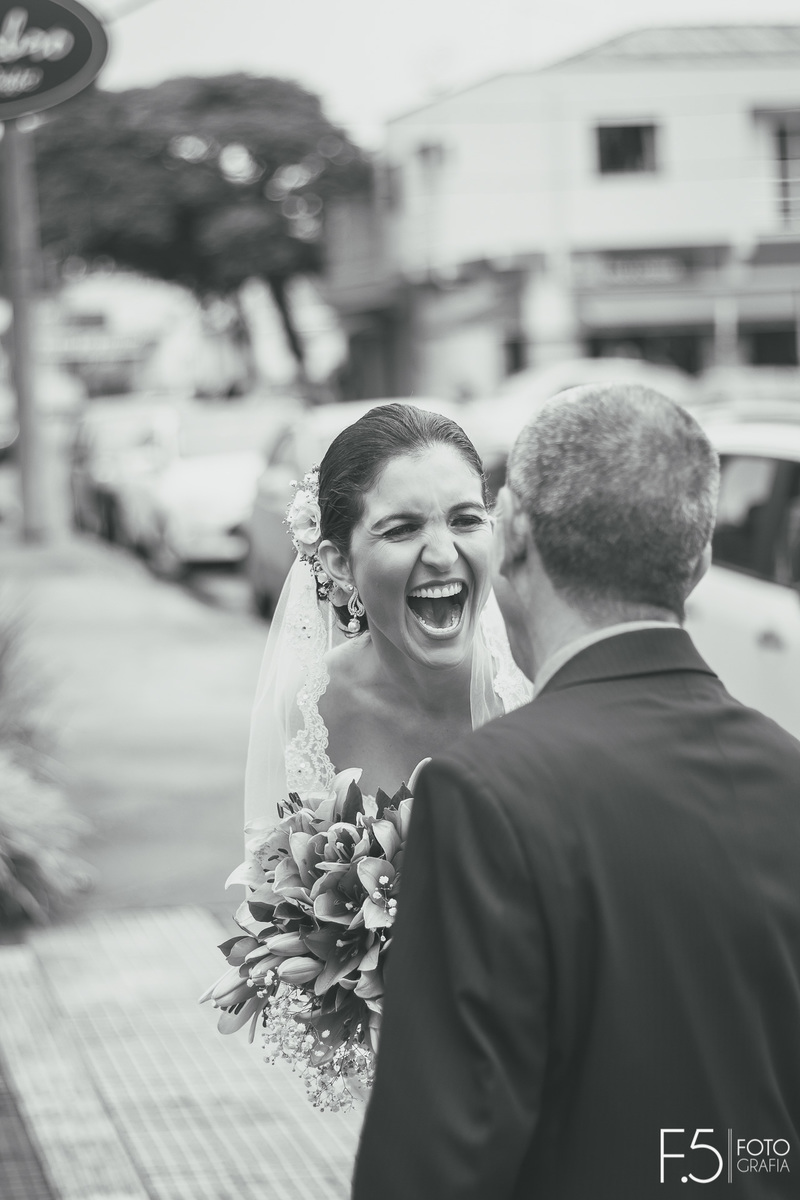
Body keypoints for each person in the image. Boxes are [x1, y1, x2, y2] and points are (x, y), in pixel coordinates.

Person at [352, 384, 800, 1199]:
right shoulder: (789, 773)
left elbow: (436, 1160)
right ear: (697, 563)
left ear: (515, 530)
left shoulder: (483, 794)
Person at [244, 400, 531, 823]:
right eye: (402, 529)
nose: (441, 554)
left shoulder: (537, 684)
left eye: (466, 520)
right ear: (340, 563)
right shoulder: (311, 711)